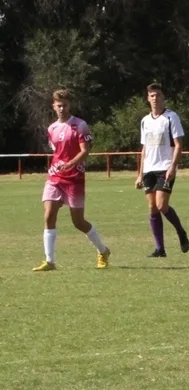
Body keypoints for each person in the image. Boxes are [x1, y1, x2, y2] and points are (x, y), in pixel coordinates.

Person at [33, 89, 111, 272]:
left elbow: (85, 151)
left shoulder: (79, 125)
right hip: (55, 177)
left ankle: (103, 250)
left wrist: (69, 164)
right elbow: (57, 151)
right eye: (58, 105)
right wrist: (60, 165)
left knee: (78, 222)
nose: (61, 108)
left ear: (70, 105)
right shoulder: (51, 128)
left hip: (74, 178)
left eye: (65, 105)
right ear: (53, 106)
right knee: (48, 215)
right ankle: (49, 261)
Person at [135, 83, 189, 257]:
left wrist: (173, 166)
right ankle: (160, 249)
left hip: (165, 167)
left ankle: (181, 232)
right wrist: (139, 174)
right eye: (152, 95)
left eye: (158, 94)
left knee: (161, 205)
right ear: (147, 98)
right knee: (152, 207)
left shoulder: (171, 117)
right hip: (149, 170)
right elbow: (144, 149)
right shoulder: (145, 121)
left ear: (163, 97)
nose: (155, 98)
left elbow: (179, 144)